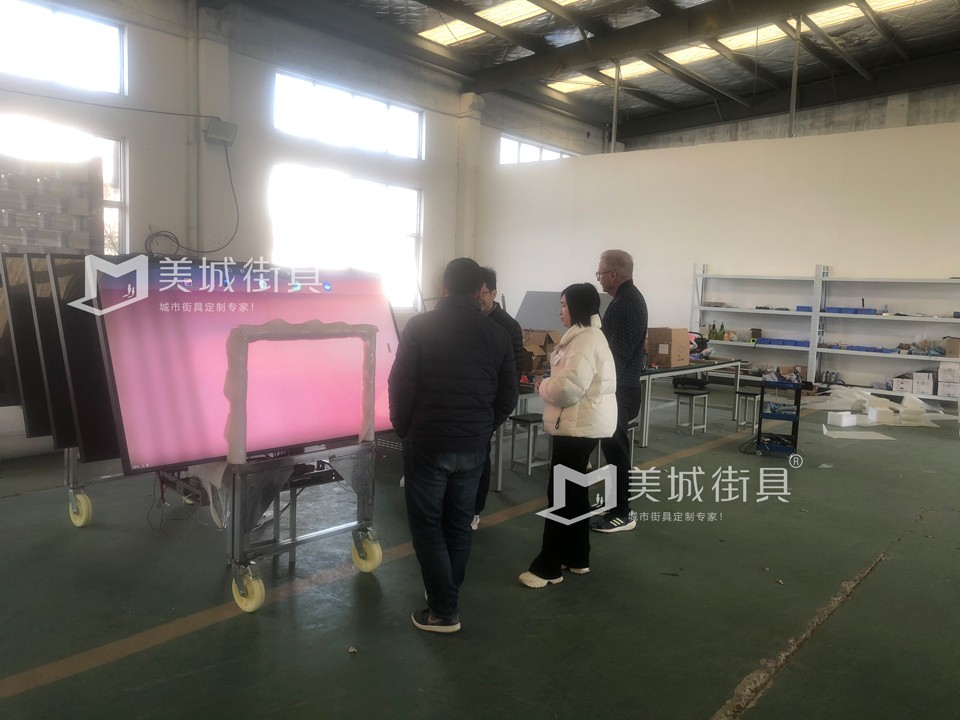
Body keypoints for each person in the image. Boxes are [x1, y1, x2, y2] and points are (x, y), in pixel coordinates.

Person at [388, 257, 519, 633]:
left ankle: (443, 610)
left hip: (428, 443)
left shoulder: (419, 326)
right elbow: (508, 395)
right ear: (479, 291)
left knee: (428, 526)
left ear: (443, 287)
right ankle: (444, 595)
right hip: (473, 447)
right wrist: (483, 428)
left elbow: (400, 385)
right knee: (459, 525)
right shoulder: (497, 334)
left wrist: (404, 429)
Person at [519, 283, 617, 588]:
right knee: (573, 493)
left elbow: (567, 389)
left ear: (576, 307)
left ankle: (548, 567)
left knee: (561, 494)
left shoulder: (585, 341)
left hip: (577, 428)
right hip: (581, 425)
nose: (559, 310)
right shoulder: (585, 337)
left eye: (563, 305)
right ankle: (576, 556)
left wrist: (543, 386)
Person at [591, 249, 648, 533]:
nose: (599, 278)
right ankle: (614, 503)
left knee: (616, 450)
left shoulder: (627, 303)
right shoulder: (624, 300)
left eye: (600, 273)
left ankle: (622, 512)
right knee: (611, 447)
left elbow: (618, 353)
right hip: (618, 386)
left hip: (620, 389)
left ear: (613, 275)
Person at [473, 266, 524, 530]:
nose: (479, 298)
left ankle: (474, 510)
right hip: (469, 402)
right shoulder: (468, 319)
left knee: (481, 457)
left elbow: (514, 374)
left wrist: (495, 415)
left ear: (494, 293)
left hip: (488, 406)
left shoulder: (508, 326)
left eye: (484, 293)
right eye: (475, 292)